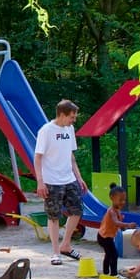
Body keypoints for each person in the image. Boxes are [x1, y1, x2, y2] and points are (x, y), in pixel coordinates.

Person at [34, 99, 88, 265]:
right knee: (54, 216)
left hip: (69, 178)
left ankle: (66, 245)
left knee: (77, 211)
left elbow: (71, 156)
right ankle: (56, 252)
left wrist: (79, 178)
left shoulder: (70, 129)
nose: (74, 120)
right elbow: (37, 157)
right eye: (72, 117)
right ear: (62, 115)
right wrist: (40, 182)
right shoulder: (46, 131)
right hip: (51, 180)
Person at [96, 184, 126, 277]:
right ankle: (113, 274)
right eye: (120, 200)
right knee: (114, 254)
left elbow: (118, 223)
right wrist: (127, 224)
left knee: (109, 254)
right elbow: (116, 222)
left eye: (124, 200)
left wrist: (123, 226)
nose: (123, 202)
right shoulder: (111, 211)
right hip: (104, 237)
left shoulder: (117, 210)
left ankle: (105, 273)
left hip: (105, 236)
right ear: (112, 198)